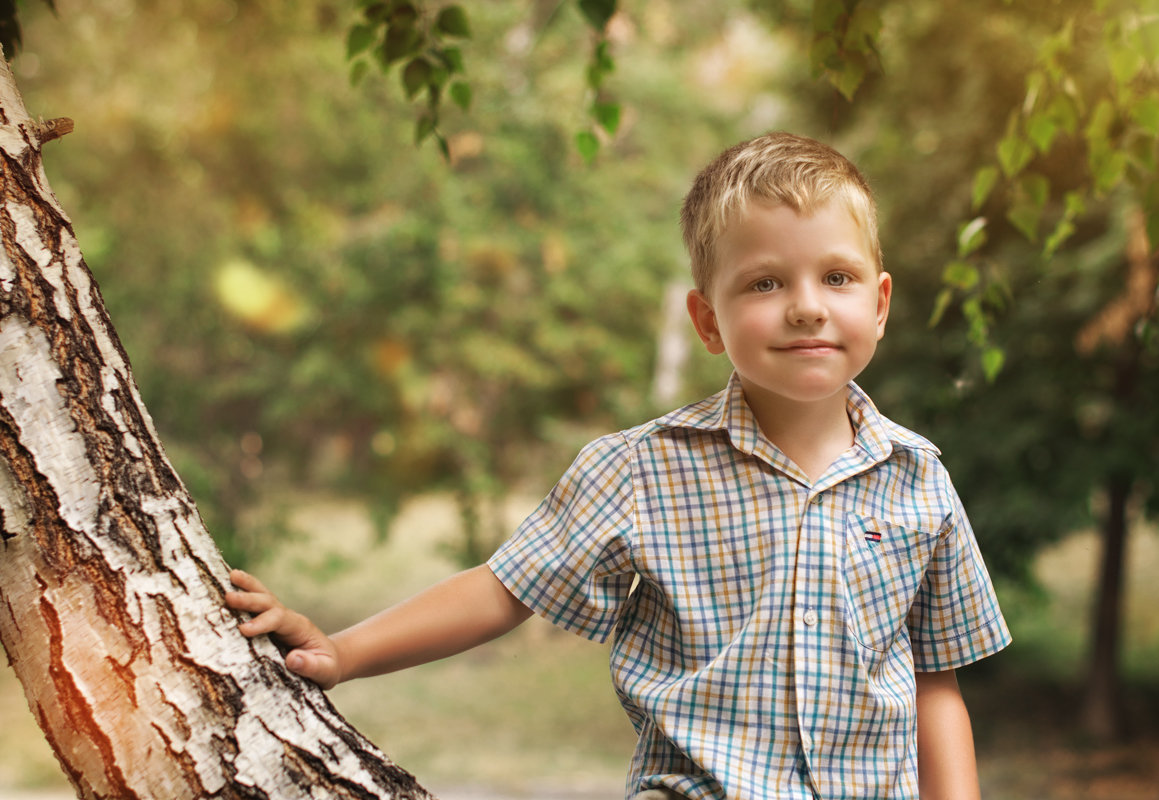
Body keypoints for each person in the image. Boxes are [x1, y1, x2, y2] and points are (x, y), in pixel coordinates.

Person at [226, 131, 1011, 800]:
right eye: (764, 283)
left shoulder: (918, 479)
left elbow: (934, 687)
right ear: (707, 319)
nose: (805, 305)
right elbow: (504, 588)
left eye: (834, 278)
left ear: (877, 303)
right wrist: (342, 650)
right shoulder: (639, 471)